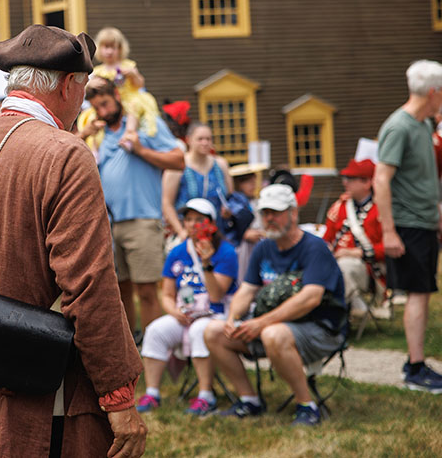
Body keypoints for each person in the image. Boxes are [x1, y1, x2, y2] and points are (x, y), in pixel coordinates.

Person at [0, 25, 147, 458]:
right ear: (67, 86)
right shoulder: (66, 154)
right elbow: (89, 287)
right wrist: (118, 396)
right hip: (60, 398)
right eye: (82, 88)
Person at [204, 184, 346, 427]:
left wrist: (261, 323)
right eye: (265, 212)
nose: (269, 218)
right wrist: (232, 318)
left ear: (293, 213)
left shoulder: (314, 247)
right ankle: (250, 400)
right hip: (272, 327)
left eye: (276, 212)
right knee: (214, 332)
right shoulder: (264, 247)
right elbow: (247, 289)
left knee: (273, 334)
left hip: (321, 329)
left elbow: (310, 298)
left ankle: (307, 406)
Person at [81, 76, 184, 337]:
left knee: (147, 291)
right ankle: (130, 351)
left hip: (143, 221)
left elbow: (178, 160)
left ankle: (155, 351)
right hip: (109, 224)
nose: (103, 112)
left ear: (117, 96)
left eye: (105, 103)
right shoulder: (98, 131)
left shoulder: (145, 123)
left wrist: (139, 149)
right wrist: (85, 134)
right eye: (97, 107)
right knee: (119, 290)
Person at [374, 59, 442, 393]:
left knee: (423, 292)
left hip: (425, 220)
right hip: (408, 223)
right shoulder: (398, 126)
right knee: (417, 293)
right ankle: (415, 368)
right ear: (432, 92)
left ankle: (416, 362)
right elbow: (381, 179)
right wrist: (388, 231)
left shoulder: (423, 125)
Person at [136, 199, 237, 417]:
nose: (192, 225)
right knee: (155, 330)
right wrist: (174, 313)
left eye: (199, 220)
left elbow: (218, 295)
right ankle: (152, 393)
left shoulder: (226, 252)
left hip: (216, 314)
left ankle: (205, 396)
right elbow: (167, 294)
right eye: (188, 219)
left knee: (200, 330)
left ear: (211, 223)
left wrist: (207, 263)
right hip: (185, 313)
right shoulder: (177, 251)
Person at [323, 158, 389, 322]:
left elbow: (390, 247)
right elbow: (328, 238)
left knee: (344, 267)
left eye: (351, 179)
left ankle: (337, 316)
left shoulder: (381, 208)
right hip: (337, 262)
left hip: (369, 269)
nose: (346, 183)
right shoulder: (339, 206)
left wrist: (356, 252)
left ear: (367, 183)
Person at [162, 122, 232, 240]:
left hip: (218, 233)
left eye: (208, 139)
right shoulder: (178, 166)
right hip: (189, 234)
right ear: (189, 140)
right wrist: (181, 231)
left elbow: (230, 196)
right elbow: (166, 203)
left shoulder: (221, 164)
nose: (205, 143)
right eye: (200, 139)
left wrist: (228, 210)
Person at [224, 165, 265, 284]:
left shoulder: (255, 200)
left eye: (254, 182)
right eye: (249, 182)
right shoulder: (234, 202)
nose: (253, 186)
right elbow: (228, 227)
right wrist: (243, 234)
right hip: (242, 246)